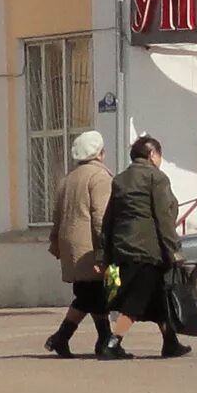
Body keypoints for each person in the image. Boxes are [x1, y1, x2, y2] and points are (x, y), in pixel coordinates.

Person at [101, 135, 192, 360]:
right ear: (152, 155)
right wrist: (174, 250)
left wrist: (105, 253)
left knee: (158, 298)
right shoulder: (157, 178)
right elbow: (164, 217)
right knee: (137, 300)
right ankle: (112, 344)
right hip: (147, 250)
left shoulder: (120, 180)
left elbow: (109, 219)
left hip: (123, 248)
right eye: (160, 155)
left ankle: (170, 343)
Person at [46, 130, 120, 359]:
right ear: (100, 153)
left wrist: (56, 244)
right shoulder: (99, 178)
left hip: (71, 246)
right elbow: (101, 216)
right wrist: (107, 248)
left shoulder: (68, 179)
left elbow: (57, 216)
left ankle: (103, 340)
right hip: (90, 247)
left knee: (91, 293)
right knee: (102, 293)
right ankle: (63, 337)